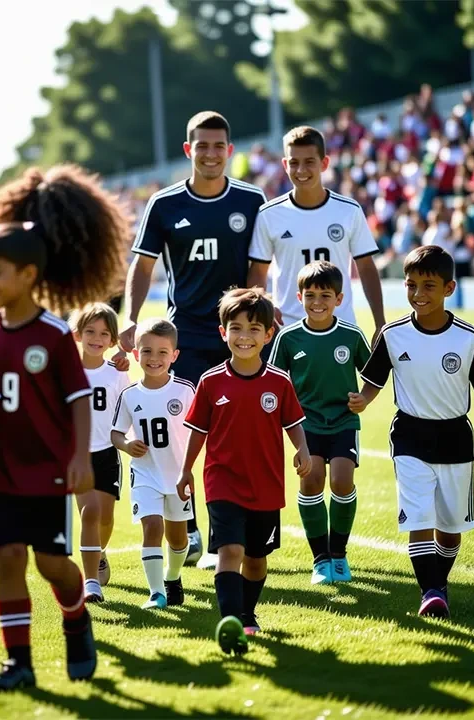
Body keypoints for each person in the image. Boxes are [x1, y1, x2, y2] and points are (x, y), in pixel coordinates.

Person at [0, 164, 129, 693]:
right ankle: (20, 664)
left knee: (52, 562)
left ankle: (76, 618)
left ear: (29, 276)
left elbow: (80, 400)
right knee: (8, 559)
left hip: (47, 470)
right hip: (3, 471)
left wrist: (80, 456)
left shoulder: (56, 335)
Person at [118, 111, 267, 568]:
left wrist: (258, 315)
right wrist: (131, 317)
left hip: (237, 338)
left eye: (218, 146)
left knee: (236, 436)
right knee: (183, 438)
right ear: (189, 150)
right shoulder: (163, 205)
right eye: (201, 146)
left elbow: (258, 268)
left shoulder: (252, 200)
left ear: (229, 151)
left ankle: (232, 532)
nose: (209, 153)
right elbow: (142, 267)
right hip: (184, 339)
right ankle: (195, 531)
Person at [348, 245, 474, 618]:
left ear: (449, 288)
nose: (418, 294)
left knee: (450, 530)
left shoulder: (468, 338)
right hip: (409, 435)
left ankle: (438, 581)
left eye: (428, 286)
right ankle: (431, 591)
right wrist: (364, 399)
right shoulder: (393, 334)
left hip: (455, 438)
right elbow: (374, 379)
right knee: (419, 517)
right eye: (411, 285)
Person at [176, 288, 311, 655]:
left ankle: (247, 612)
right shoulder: (210, 381)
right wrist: (186, 470)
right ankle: (230, 620)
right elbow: (197, 431)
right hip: (222, 481)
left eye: (254, 329)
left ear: (269, 335)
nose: (244, 337)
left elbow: (293, 422)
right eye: (236, 329)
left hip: (266, 483)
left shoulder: (279, 382)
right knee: (230, 550)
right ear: (223, 333)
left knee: (255, 559)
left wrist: (302, 449)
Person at [269, 262, 370, 585]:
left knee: (341, 481)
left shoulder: (351, 335)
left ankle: (338, 555)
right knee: (311, 481)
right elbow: (274, 381)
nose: (317, 302)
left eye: (325, 295)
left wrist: (364, 398)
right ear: (299, 297)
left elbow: (372, 375)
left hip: (343, 422)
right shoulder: (289, 338)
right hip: (305, 425)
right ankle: (320, 559)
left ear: (339, 298)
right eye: (310, 295)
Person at [247, 126, 385, 343]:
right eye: (294, 162)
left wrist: (380, 322)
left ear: (324, 163)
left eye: (309, 161)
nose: (301, 169)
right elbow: (258, 271)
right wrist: (264, 303)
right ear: (285, 165)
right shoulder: (270, 214)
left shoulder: (348, 210)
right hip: (289, 329)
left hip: (341, 326)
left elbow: (366, 267)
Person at [111, 318, 194, 609]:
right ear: (135, 354)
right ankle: (156, 593)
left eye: (162, 352)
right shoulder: (130, 395)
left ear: (175, 355)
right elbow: (116, 433)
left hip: (177, 477)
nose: (154, 358)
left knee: (178, 538)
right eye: (147, 351)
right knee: (152, 527)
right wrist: (126, 445)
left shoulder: (185, 391)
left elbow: (202, 429)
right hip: (145, 474)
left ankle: (172, 577)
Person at [70, 303, 131, 603]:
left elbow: (130, 410)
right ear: (78, 334)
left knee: (105, 518)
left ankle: (100, 551)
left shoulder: (118, 374)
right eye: (90, 331)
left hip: (108, 453)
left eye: (104, 333)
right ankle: (91, 582)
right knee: (89, 512)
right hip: (77, 456)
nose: (96, 338)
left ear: (113, 340)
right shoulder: (66, 370)